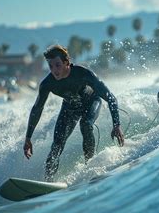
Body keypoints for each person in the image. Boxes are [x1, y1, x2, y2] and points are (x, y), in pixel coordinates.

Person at [23, 45, 125, 181]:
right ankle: (48, 182)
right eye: (51, 66)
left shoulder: (83, 74)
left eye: (58, 65)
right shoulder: (47, 84)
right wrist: (28, 138)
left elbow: (110, 97)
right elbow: (37, 109)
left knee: (86, 124)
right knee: (57, 144)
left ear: (66, 63)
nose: (54, 70)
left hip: (91, 102)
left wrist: (116, 125)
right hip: (70, 107)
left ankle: (90, 167)